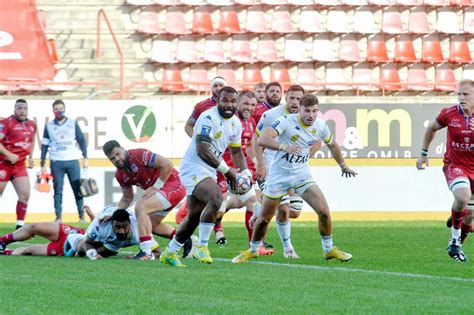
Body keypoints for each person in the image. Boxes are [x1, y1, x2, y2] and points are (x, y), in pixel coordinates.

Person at [232, 93, 357, 264]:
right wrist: (284, 147)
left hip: (301, 175)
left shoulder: (320, 126)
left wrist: (343, 166)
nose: (311, 115)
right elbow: (262, 139)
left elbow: (332, 144)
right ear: (300, 110)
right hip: (278, 177)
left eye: (314, 111)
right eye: (307, 111)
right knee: (265, 219)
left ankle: (329, 249)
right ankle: (253, 250)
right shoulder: (285, 121)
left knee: (324, 211)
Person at [160, 86, 251, 267]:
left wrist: (246, 172)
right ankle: (202, 246)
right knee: (216, 198)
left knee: (194, 216)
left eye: (233, 101)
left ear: (237, 103)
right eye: (225, 100)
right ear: (218, 100)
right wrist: (228, 171)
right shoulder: (208, 118)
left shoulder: (235, 124)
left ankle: (169, 252)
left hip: (209, 169)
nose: (229, 105)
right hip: (193, 166)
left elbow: (236, 151)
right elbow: (202, 150)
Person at [253, 85, 320, 258]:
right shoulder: (271, 115)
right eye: (292, 98)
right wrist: (260, 164)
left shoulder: (308, 118)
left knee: (295, 211)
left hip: (293, 170)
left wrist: (305, 158)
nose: (295, 102)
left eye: (299, 99)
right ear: (286, 98)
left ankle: (261, 211)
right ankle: (288, 249)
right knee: (283, 209)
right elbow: (257, 139)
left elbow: (318, 141)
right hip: (271, 169)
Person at [416, 79, 474, 262]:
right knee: (463, 196)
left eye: (466, 94)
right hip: (455, 165)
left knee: (470, 217)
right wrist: (423, 153)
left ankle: (455, 246)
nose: (461, 98)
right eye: (459, 94)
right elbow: (431, 128)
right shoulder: (449, 114)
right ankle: (455, 239)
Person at [103, 140, 188, 260]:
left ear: (122, 148)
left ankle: (146, 252)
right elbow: (127, 198)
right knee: (149, 225)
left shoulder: (138, 155)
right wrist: (113, 213)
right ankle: (186, 239)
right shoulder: (120, 175)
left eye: (117, 154)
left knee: (140, 207)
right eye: (112, 158)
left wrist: (155, 186)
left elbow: (167, 164)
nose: (116, 159)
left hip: (175, 184)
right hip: (163, 191)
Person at [180, 76, 228, 244]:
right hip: (202, 159)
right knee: (215, 199)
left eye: (221, 85)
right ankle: (207, 241)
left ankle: (173, 249)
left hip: (220, 159)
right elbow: (188, 125)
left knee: (215, 202)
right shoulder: (202, 107)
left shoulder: (230, 111)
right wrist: (198, 142)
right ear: (211, 88)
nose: (218, 87)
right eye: (215, 85)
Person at [40, 100, 88, 222]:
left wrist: (85, 158)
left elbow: (81, 141)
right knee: (58, 190)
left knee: (78, 189)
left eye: (61, 108)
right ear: (53, 111)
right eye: (56, 109)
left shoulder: (72, 123)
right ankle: (58, 217)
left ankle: (81, 216)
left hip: (72, 160)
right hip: (56, 161)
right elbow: (44, 145)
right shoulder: (49, 126)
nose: (59, 111)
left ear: (65, 109)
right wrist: (42, 164)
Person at [0, 99, 37, 229]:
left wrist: (31, 157)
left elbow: (32, 141)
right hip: (3, 163)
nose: (22, 111)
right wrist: (9, 155)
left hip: (19, 165)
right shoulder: (6, 123)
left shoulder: (32, 124)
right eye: (19, 108)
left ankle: (19, 227)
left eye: (25, 108)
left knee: (25, 194)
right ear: (14, 109)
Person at [0, 206, 93, 256]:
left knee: (28, 251)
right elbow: (98, 228)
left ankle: (4, 253)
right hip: (71, 232)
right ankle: (2, 241)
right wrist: (92, 216)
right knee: (34, 227)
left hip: (65, 249)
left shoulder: (106, 246)